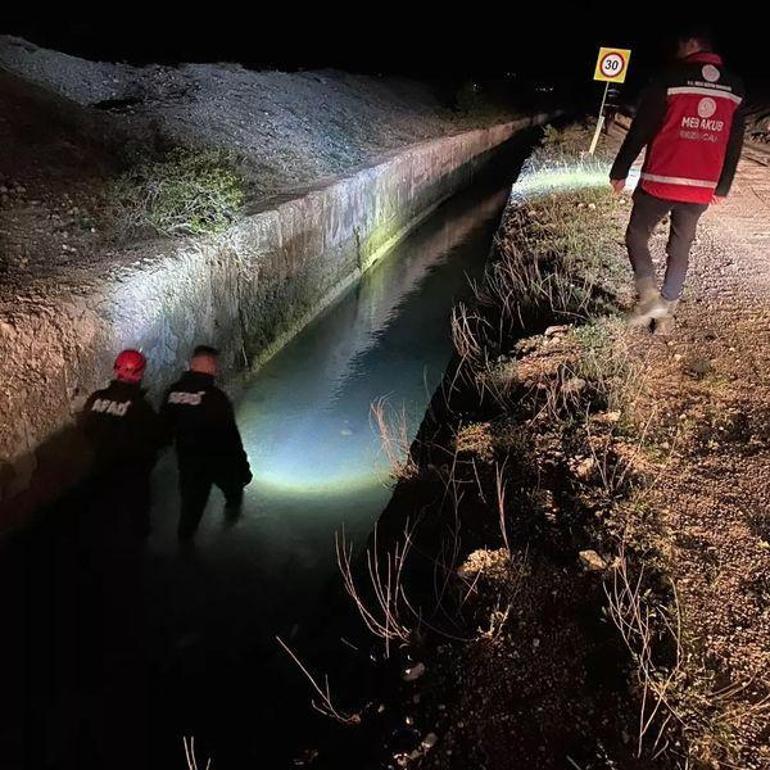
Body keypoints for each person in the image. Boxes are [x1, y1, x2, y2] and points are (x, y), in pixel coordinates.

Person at [609, 25, 745, 334]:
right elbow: (734, 142)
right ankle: (666, 311)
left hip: (661, 178)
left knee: (636, 235)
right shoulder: (735, 88)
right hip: (701, 187)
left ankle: (649, 298)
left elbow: (642, 128)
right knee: (681, 245)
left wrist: (620, 170)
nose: (676, 52)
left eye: (679, 45)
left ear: (691, 43)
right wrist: (722, 187)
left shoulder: (670, 78)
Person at [162, 345, 252, 541]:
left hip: (188, 464)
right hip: (217, 462)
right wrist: (244, 470)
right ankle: (230, 532)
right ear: (211, 366)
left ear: (192, 365)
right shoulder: (215, 398)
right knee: (234, 493)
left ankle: (184, 551)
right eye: (215, 365)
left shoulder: (172, 393)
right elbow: (231, 440)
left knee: (190, 512)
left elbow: (163, 430)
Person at [80, 349, 162, 537]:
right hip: (132, 471)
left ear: (116, 369)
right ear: (140, 373)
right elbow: (156, 437)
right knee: (136, 516)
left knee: (106, 515)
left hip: (100, 466)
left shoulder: (96, 398)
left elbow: (85, 428)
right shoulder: (140, 406)